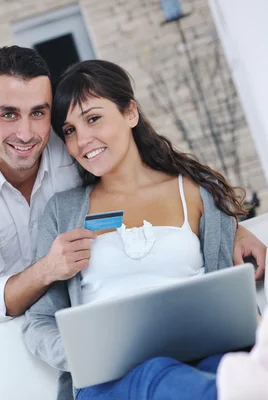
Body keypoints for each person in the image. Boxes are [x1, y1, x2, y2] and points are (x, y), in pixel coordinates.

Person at [0, 45, 266, 361]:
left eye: (38, 113)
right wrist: (49, 270)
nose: (27, 133)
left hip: (179, 347)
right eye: (8, 114)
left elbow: (141, 170)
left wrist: (227, 227)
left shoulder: (69, 144)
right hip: (16, 329)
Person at [21, 59, 261, 400]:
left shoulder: (194, 193)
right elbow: (39, 322)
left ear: (130, 113)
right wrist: (81, 352)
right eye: (70, 130)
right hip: (112, 383)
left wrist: (235, 229)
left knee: (220, 371)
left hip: (203, 361)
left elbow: (230, 286)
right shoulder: (63, 212)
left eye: (93, 119)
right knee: (156, 373)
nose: (83, 140)